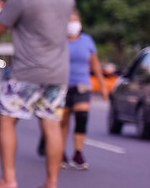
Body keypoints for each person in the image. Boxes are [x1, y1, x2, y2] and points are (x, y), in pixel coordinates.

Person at [0, 0, 75, 188]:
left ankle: (8, 179)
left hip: (26, 72)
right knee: (52, 125)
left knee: (6, 119)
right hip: (58, 72)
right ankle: (52, 184)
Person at [37, 10, 109, 168]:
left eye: (75, 20)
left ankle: (78, 153)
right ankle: (60, 152)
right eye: (70, 20)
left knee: (82, 116)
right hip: (61, 84)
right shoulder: (59, 41)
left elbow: (95, 63)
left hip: (82, 84)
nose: (73, 24)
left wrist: (103, 85)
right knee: (63, 121)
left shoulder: (87, 41)